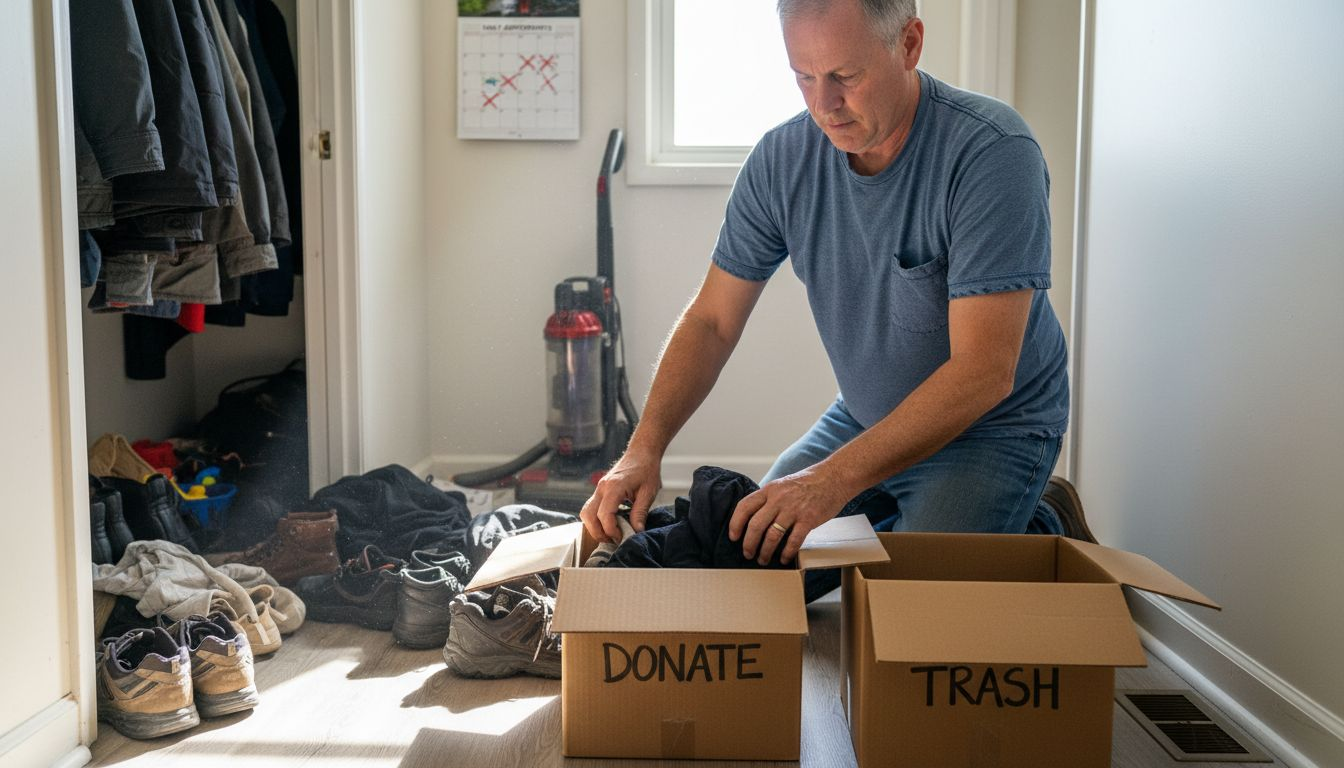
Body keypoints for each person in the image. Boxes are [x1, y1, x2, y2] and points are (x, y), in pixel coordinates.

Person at [580, 0, 1091, 599]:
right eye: (804, 77)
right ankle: (902, 515)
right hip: (864, 415)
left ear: (909, 44)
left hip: (990, 428)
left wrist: (828, 484)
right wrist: (641, 451)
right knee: (749, 564)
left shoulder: (993, 153)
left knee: (906, 606)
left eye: (845, 77)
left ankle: (1039, 525)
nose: (824, 104)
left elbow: (984, 373)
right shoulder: (781, 161)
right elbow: (713, 321)